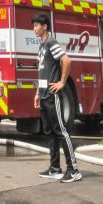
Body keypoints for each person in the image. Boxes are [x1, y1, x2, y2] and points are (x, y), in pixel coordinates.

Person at [32, 12, 81, 183]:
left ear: (45, 27)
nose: (34, 28)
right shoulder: (42, 46)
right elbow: (42, 72)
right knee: (50, 132)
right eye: (33, 25)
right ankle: (55, 168)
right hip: (44, 95)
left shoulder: (51, 42)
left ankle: (73, 170)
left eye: (37, 25)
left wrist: (62, 82)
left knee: (61, 131)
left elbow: (66, 60)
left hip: (53, 96)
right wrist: (38, 93)